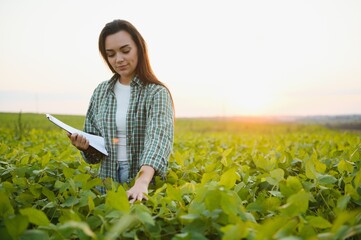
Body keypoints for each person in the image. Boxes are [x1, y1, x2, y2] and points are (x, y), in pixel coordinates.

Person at [68, 19, 174, 202]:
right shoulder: (101, 91)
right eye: (111, 54)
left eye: (125, 51)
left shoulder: (156, 93)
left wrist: (142, 182)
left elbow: (158, 140)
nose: (118, 59)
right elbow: (94, 152)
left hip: (142, 181)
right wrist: (85, 146)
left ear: (139, 48)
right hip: (106, 181)